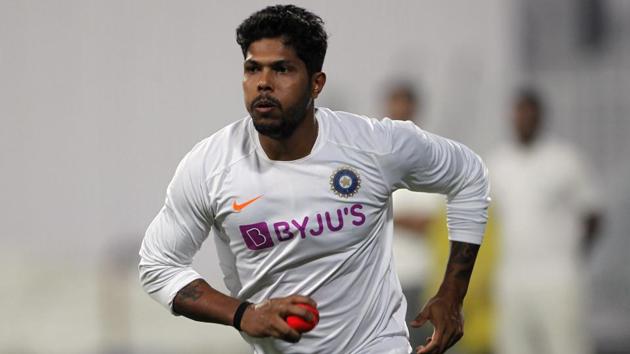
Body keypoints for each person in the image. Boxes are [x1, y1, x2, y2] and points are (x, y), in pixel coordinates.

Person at [139, 5, 490, 354]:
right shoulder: (210, 166)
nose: (263, 82)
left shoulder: (374, 145)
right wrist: (243, 314)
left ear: (316, 84)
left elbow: (469, 175)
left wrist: (452, 293)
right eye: (252, 69)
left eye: (282, 69)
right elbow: (158, 264)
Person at [489, 89, 602, 354]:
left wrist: (573, 254)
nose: (524, 119)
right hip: (511, 276)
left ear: (541, 117)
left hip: (557, 274)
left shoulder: (565, 158)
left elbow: (593, 213)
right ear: (510, 117)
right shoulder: (497, 162)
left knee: (566, 345)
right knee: (515, 347)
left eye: (530, 113)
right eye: (519, 113)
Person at [384, 82, 442, 350]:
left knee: (421, 345)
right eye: (395, 104)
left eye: (405, 104)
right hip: (385, 278)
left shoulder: (433, 157)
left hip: (421, 276)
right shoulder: (377, 157)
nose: (400, 111)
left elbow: (432, 223)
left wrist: (388, 218)